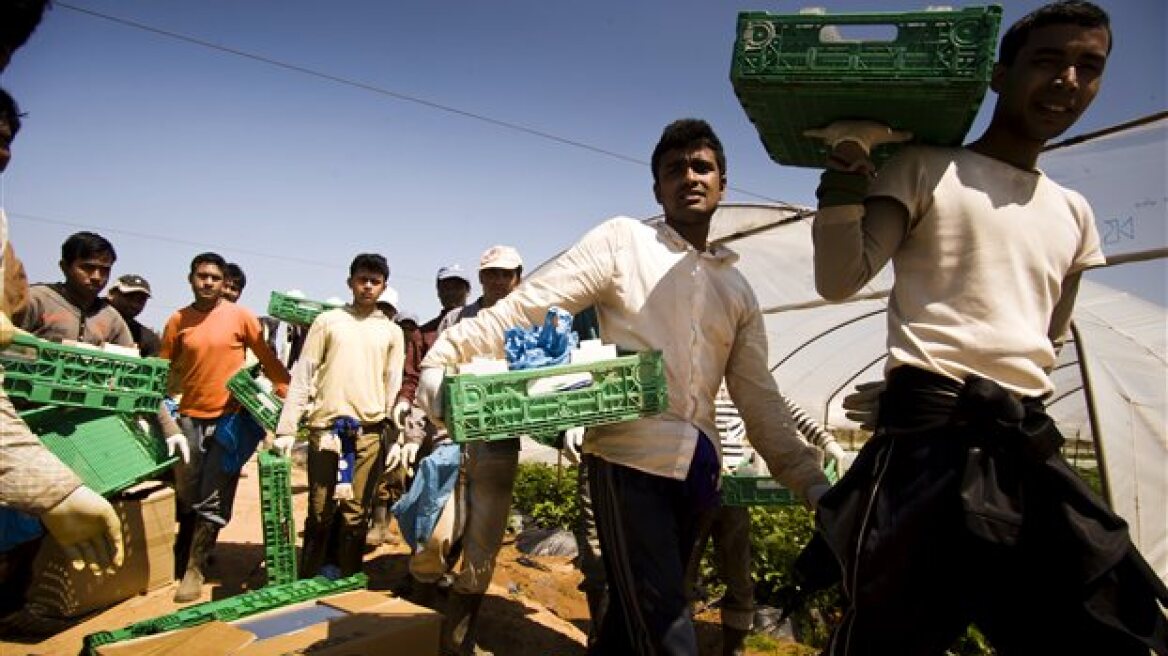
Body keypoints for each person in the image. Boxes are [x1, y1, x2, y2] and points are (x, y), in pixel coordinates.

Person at [807, 3, 1167, 654]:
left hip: (1023, 445)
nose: (1068, 81)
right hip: (925, 452)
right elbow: (841, 278)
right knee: (891, 635)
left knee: (1099, 626)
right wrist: (840, 182)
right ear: (1000, 75)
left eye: (1089, 67)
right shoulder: (924, 167)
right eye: (1048, 60)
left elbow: (1043, 344)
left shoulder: (1074, 214)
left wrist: (987, 389)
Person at [417, 119, 830, 655]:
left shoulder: (737, 288)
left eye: (701, 167)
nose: (689, 177)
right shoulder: (623, 243)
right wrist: (445, 354)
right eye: (673, 169)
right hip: (630, 461)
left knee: (635, 616)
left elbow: (759, 397)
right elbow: (527, 308)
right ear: (657, 188)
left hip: (700, 473)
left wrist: (808, 480)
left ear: (723, 184)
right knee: (665, 626)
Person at [401, 245, 525, 656]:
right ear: (482, 278)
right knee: (437, 533)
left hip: (499, 445)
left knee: (482, 546)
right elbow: (430, 380)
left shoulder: (528, 321)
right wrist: (418, 431)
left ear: (517, 277)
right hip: (451, 442)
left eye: (504, 274)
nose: (497, 281)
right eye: (490, 274)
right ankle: (415, 613)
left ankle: (457, 639)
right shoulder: (458, 320)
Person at [161, 252, 290, 603]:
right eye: (201, 276)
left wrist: (286, 402)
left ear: (222, 283)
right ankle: (182, 551)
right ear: (190, 278)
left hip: (229, 419)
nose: (207, 282)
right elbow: (162, 370)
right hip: (188, 416)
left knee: (213, 494)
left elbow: (268, 360)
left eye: (214, 278)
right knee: (187, 491)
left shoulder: (240, 317)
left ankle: (195, 567)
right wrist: (163, 414)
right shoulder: (177, 320)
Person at [272, 254, 404, 578]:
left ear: (384, 287)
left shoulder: (391, 332)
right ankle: (309, 577)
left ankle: (348, 580)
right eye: (363, 279)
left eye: (375, 281)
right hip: (325, 429)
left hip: (369, 432)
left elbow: (393, 386)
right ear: (350, 282)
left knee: (355, 512)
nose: (368, 286)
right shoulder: (328, 321)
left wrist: (395, 437)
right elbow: (304, 374)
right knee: (319, 510)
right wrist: (286, 429)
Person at [683, 385, 755, 656]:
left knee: (738, 570)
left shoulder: (740, 379)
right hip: (696, 483)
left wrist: (824, 441)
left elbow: (780, 409)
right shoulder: (695, 377)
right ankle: (680, 640)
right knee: (686, 565)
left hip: (734, 487)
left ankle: (733, 647)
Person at [18, 231, 134, 347]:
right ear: (65, 267)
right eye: (87, 267)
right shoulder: (36, 300)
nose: (96, 277)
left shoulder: (112, 319)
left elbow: (128, 359)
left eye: (104, 270)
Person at [107, 273, 161, 357]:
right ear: (111, 294)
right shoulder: (88, 315)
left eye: (141, 300)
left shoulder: (147, 339)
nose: (134, 304)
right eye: (129, 297)